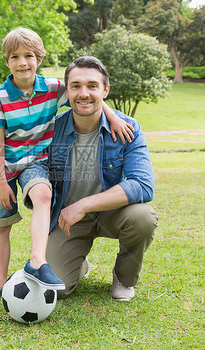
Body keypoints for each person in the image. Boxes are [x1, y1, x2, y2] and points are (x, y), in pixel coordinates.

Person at [0, 29, 134, 300]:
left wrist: (112, 117)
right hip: (4, 167)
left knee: (43, 194)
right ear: (7, 61)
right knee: (2, 227)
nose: (23, 62)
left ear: (39, 58)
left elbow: (84, 96)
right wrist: (1, 182)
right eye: (15, 57)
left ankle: (37, 262)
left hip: (35, 162)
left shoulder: (54, 88)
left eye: (29, 56)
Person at [46, 56, 158, 301]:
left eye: (92, 86)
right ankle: (77, 262)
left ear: (105, 90)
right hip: (68, 220)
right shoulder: (52, 129)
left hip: (112, 213)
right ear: (67, 91)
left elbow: (143, 185)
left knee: (143, 217)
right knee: (58, 289)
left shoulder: (128, 128)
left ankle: (124, 278)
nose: (83, 93)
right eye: (75, 86)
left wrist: (84, 204)